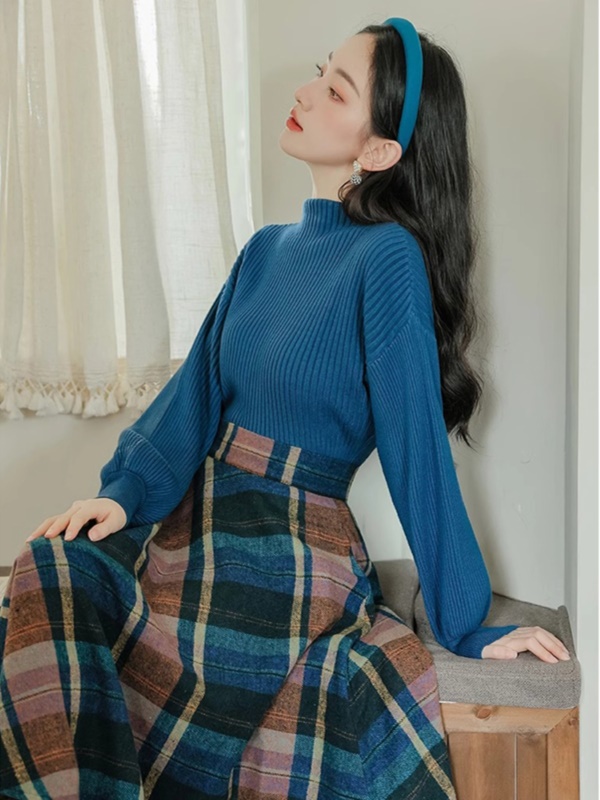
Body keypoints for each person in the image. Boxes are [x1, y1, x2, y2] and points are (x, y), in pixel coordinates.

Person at [0, 17, 570, 800]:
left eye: (336, 90)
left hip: (290, 550)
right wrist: (121, 494)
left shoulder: (387, 259)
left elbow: (416, 451)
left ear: (379, 152)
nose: (305, 92)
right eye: (319, 72)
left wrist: (467, 622)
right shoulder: (265, 250)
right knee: (49, 567)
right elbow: (193, 397)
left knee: (205, 658)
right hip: (198, 529)